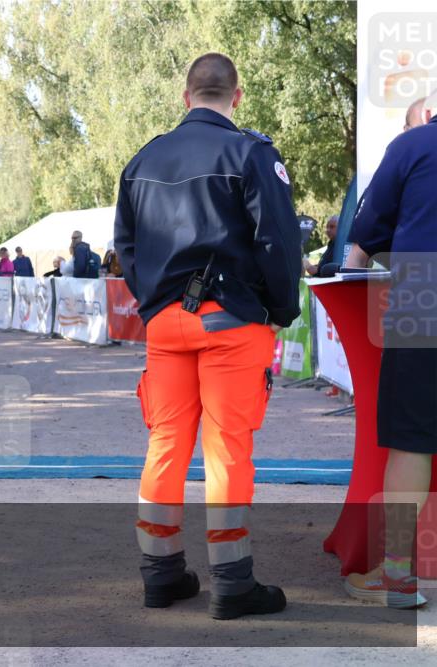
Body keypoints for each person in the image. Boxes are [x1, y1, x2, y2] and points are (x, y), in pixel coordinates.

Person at [113, 52, 301, 619]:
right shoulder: (251, 153)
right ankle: (232, 582)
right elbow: (279, 242)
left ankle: (161, 573)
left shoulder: (142, 160)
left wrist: (156, 302)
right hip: (231, 321)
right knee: (227, 450)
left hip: (165, 325)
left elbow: (125, 247)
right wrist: (279, 309)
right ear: (236, 96)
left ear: (185, 95)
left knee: (165, 444)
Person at [341, 102, 437, 609]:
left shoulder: (411, 145)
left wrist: (356, 263)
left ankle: (398, 576)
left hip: (424, 295)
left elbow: (362, 244)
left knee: (411, 441)